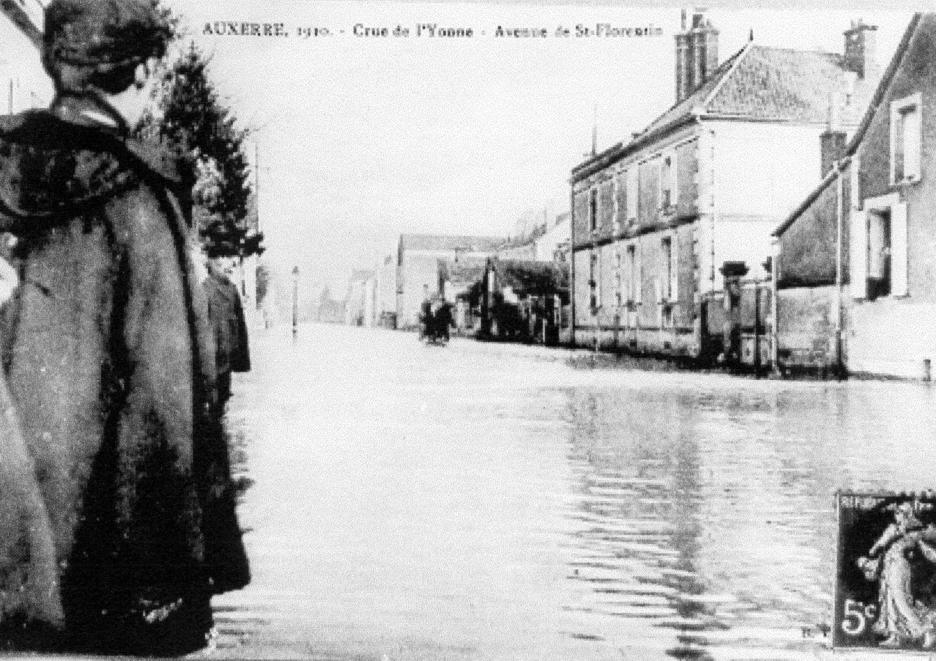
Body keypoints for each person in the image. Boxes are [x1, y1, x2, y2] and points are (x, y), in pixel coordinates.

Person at [0, 0, 248, 653]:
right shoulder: (138, 192)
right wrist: (169, 578)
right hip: (106, 578)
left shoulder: (10, 168)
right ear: (136, 73)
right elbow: (160, 400)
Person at [858, 503, 936, 649]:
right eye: (896, 512)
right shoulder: (893, 529)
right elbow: (880, 547)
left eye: (899, 512)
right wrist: (875, 550)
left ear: (906, 514)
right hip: (888, 567)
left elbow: (924, 548)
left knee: (901, 600)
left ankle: (927, 629)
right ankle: (894, 636)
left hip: (899, 566)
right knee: (889, 601)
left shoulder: (913, 530)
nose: (896, 514)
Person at [203, 256, 251, 412]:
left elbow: (241, 324)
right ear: (211, 265)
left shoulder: (232, 289)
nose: (229, 267)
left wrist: (241, 358)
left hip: (227, 354)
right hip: (212, 356)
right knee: (212, 399)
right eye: (221, 264)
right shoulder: (204, 289)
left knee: (223, 398)